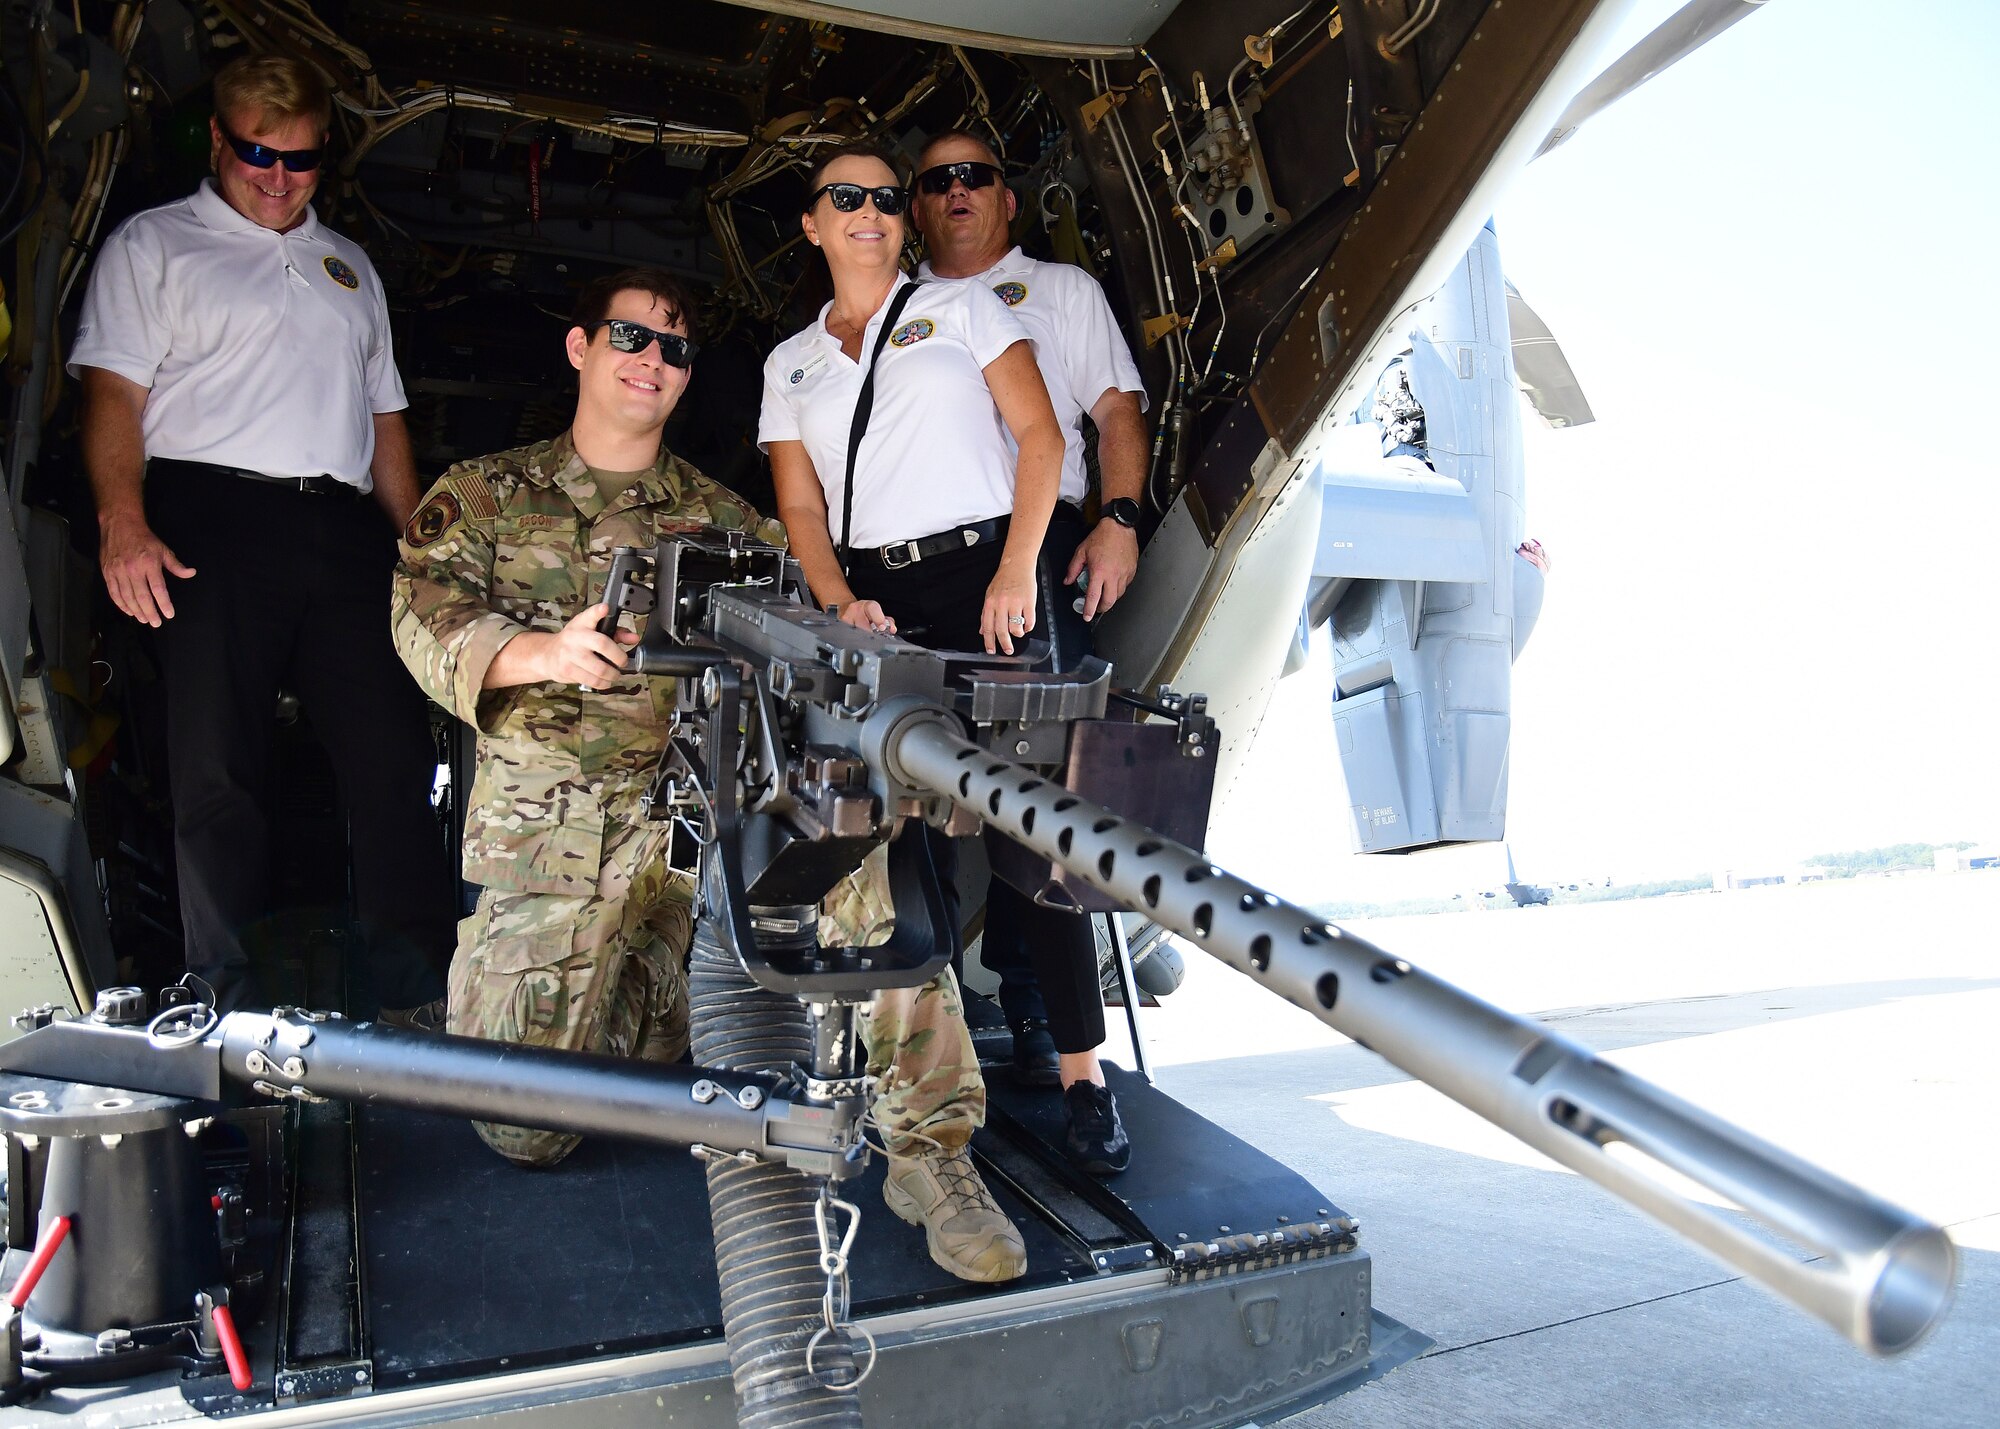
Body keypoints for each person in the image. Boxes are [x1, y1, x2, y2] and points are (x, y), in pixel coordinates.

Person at [393, 268, 1023, 1286]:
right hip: (564, 837)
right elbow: (421, 614)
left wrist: (838, 636)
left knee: (856, 837)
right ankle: (648, 1013)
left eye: (674, 351)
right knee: (521, 1132)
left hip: (712, 815)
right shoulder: (483, 495)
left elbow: (793, 641)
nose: (651, 362)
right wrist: (537, 651)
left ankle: (930, 1152)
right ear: (580, 348)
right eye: (631, 338)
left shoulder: (723, 518)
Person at [70, 54, 450, 1022]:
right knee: (215, 772)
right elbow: (113, 392)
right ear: (217, 141)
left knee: (396, 761)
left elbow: (386, 420)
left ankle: (416, 999)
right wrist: (123, 522)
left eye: (300, 161)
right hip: (209, 518)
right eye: (256, 156)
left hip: (342, 524)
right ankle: (225, 1005)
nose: (278, 178)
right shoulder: (155, 247)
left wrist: (419, 545)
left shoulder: (348, 266)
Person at [909, 128, 1149, 1172]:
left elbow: (1113, 412)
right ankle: (934, 1019)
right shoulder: (892, 314)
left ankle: (1065, 1049)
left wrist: (1121, 518)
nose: (956, 192)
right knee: (910, 798)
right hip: (921, 570)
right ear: (916, 207)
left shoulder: (1056, 292)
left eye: (975, 176)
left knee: (1041, 802)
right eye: (935, 181)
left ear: (1006, 200)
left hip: (1037, 551)